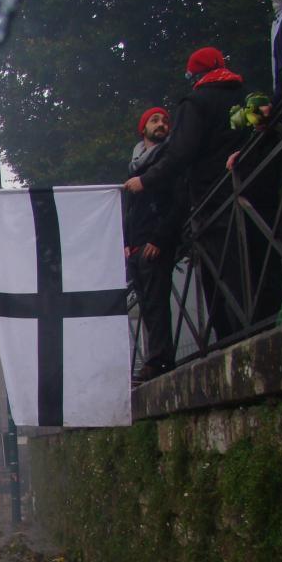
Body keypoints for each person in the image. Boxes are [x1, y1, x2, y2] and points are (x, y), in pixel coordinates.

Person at [126, 47, 282, 340]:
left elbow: (181, 153)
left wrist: (146, 181)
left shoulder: (197, 102)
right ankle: (269, 324)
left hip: (213, 197)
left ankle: (235, 338)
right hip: (250, 188)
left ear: (195, 75)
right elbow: (261, 132)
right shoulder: (246, 98)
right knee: (259, 257)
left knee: (222, 270)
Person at [123, 106, 184, 382]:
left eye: (164, 121)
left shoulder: (169, 160)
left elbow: (178, 201)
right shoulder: (136, 163)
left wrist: (160, 238)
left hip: (155, 241)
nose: (161, 124)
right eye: (155, 120)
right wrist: (126, 242)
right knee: (146, 304)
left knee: (157, 302)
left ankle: (160, 360)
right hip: (137, 244)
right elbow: (131, 208)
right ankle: (153, 359)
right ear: (143, 128)